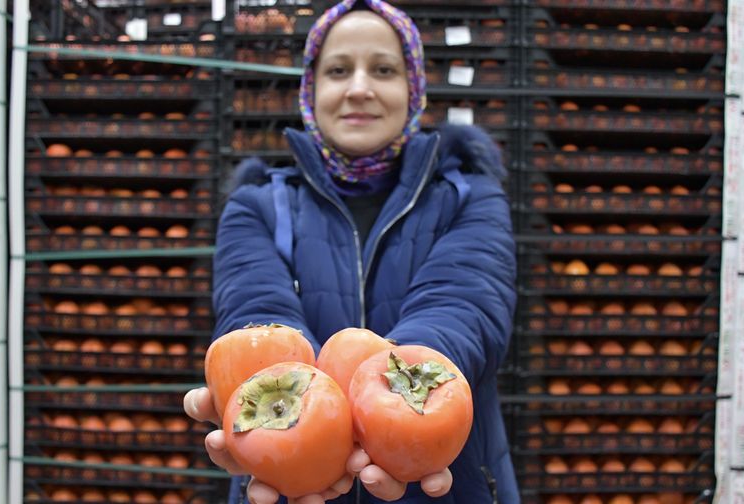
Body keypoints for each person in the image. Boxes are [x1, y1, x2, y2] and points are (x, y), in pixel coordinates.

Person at [183, 0, 518, 502]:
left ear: (414, 89)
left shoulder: (470, 197)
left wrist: (401, 391)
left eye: (383, 69)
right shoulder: (256, 207)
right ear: (310, 90)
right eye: (339, 70)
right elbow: (255, 314)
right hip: (286, 480)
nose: (359, 88)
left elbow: (463, 306)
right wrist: (290, 411)